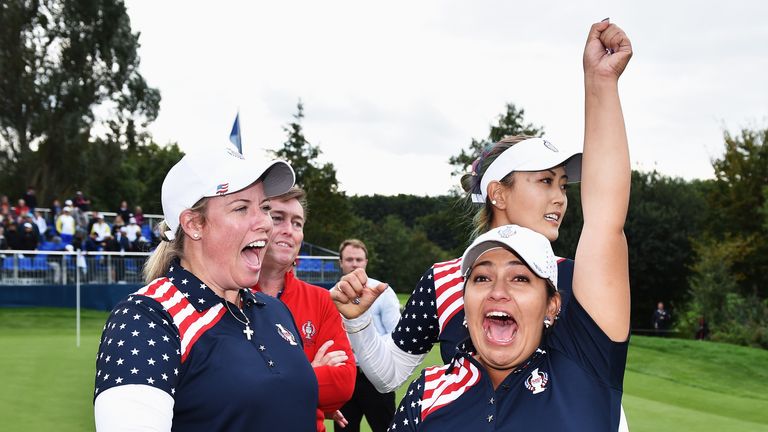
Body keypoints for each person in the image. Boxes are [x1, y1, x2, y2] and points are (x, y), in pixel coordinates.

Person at [333, 19, 632, 431]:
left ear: (552, 304)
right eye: (545, 180)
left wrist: (600, 84)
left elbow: (606, 219)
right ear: (498, 193)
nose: (561, 197)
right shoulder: (442, 283)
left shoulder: (578, 278)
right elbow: (388, 375)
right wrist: (360, 323)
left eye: (522, 281)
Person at [93, 145, 318, 431]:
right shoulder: (147, 318)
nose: (264, 222)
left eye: (264, 207)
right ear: (194, 223)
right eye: (241, 208)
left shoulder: (274, 310)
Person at [392, 222, 630, 430]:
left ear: (551, 306)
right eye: (482, 278)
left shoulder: (585, 371)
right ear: (465, 301)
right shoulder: (426, 392)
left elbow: (606, 224)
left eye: (520, 278)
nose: (497, 292)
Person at [253, 187, 356, 432]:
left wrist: (274, 383)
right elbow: (227, 392)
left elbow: (343, 385)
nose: (289, 230)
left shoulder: (320, 299)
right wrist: (308, 373)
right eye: (278, 218)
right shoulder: (227, 294)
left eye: (297, 223)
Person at [335, 239, 400, 432]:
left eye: (358, 259)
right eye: (349, 259)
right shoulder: (332, 295)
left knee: (385, 428)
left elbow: (394, 334)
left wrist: (368, 350)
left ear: (366, 262)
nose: (354, 264)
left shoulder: (382, 292)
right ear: (341, 262)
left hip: (375, 377)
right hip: (345, 375)